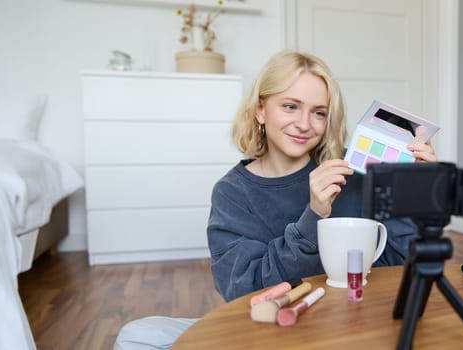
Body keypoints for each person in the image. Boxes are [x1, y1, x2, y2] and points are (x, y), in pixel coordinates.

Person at [114, 50, 436, 350]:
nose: (304, 124)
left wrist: (412, 191)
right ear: (260, 110)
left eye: (319, 113)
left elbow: (398, 266)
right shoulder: (232, 193)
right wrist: (314, 215)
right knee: (137, 337)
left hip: (348, 327)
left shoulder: (351, 179)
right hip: (269, 331)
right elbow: (243, 292)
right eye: (290, 106)